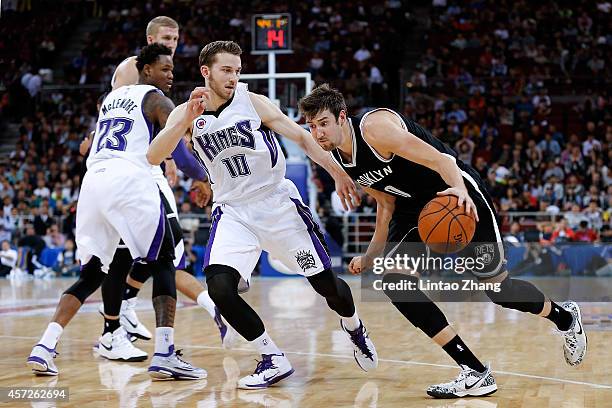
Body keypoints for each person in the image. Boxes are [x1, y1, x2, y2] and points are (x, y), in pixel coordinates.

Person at [298, 84, 587, 399]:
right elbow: (386, 205)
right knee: (395, 283)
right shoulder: (339, 158)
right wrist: (370, 256)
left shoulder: (375, 128)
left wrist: (461, 192)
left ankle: (565, 316)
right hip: (413, 212)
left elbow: (443, 161)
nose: (317, 133)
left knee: (499, 290)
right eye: (311, 127)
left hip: (453, 195)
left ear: (342, 117)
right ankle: (476, 371)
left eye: (323, 123)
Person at [147, 41, 377, 389]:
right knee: (220, 289)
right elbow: (153, 155)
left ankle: (354, 325)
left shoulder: (252, 102)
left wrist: (337, 172)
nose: (234, 77)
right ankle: (272, 357)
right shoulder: (187, 111)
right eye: (227, 70)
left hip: (276, 204)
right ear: (206, 72)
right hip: (233, 212)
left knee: (325, 284)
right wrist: (184, 125)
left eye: (238, 71)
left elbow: (301, 136)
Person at [27, 44, 206, 380]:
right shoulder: (155, 99)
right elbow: (180, 156)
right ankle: (165, 353)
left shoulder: (110, 101)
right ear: (147, 69)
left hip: (93, 183)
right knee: (164, 259)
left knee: (93, 272)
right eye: (165, 69)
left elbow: (92, 143)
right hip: (128, 180)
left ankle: (44, 346)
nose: (171, 75)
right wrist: (205, 177)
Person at [84, 16, 236, 348]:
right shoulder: (131, 69)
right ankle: (127, 324)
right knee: (165, 250)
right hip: (128, 169)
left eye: (176, 38)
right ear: (151, 37)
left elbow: (156, 125)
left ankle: (120, 314)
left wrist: (170, 158)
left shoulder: (159, 77)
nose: (172, 43)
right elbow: (113, 112)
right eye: (166, 37)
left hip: (142, 165)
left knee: (142, 251)